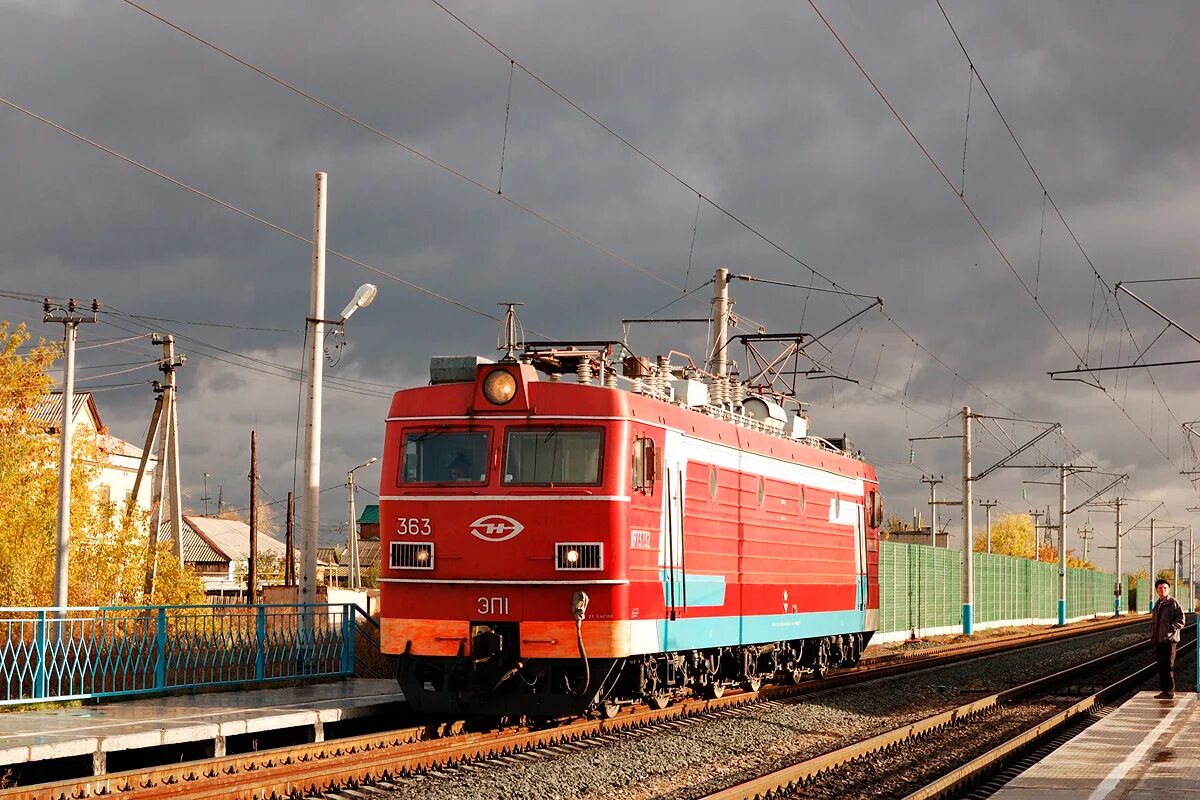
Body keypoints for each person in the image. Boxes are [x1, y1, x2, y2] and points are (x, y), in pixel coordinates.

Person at [1148, 578, 1185, 699]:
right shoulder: (1158, 604)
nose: (1162, 590)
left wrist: (1171, 628)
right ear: (1156, 590)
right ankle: (1164, 691)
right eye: (1160, 588)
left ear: (1168, 589)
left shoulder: (1173, 602)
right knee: (1161, 666)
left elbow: (1181, 619)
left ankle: (1170, 692)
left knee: (1168, 666)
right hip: (1159, 640)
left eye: (1165, 588)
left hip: (1169, 641)